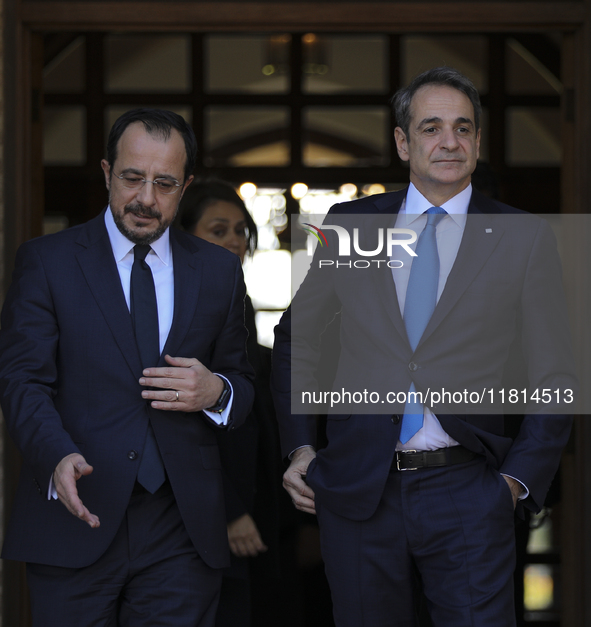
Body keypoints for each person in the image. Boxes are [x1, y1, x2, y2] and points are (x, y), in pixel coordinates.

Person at [272, 67, 576, 626]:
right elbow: (299, 339)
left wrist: (515, 483)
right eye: (431, 127)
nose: (449, 141)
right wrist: (299, 450)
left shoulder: (523, 237)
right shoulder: (350, 225)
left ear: (479, 142)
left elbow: (556, 370)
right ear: (402, 141)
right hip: (359, 488)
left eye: (463, 128)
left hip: (469, 488)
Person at [0, 109, 254, 627]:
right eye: (132, 178)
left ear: (184, 187)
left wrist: (216, 391)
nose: (146, 199)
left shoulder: (219, 271)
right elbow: (22, 380)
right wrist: (55, 454)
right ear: (106, 172)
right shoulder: (46, 261)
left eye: (164, 184)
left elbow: (245, 384)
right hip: (76, 510)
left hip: (181, 527)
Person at [179, 180, 294, 627]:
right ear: (186, 236)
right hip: (212, 514)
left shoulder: (236, 301)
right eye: (218, 230)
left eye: (241, 230)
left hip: (260, 506)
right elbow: (186, 424)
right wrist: (229, 512)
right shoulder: (181, 308)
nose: (234, 240)